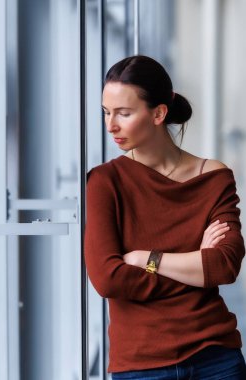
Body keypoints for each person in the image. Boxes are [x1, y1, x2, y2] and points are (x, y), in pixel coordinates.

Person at [84, 55, 246, 379]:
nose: (110, 125)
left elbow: (224, 266)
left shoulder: (213, 176)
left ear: (158, 113)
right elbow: (108, 278)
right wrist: (196, 264)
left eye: (124, 113)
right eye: (106, 112)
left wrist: (146, 258)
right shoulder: (104, 182)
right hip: (140, 365)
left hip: (216, 357)